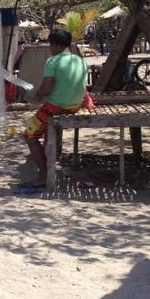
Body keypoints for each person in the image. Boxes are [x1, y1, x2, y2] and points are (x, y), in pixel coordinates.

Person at [23, 29, 88, 187]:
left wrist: (38, 93)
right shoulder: (79, 60)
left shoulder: (53, 61)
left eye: (51, 45)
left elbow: (47, 87)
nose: (50, 48)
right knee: (47, 130)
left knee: (29, 134)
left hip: (56, 107)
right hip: (75, 106)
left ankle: (44, 174)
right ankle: (49, 160)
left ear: (56, 45)